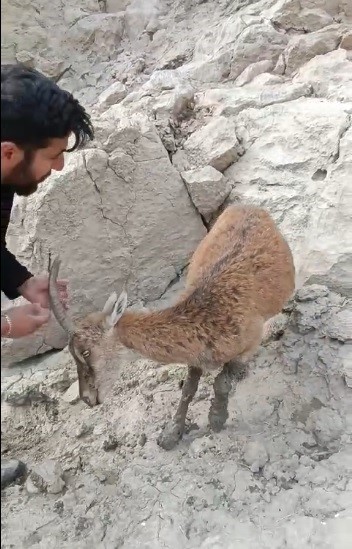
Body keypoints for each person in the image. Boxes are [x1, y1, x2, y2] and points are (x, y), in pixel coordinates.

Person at [1, 63, 94, 488]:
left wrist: (22, 281)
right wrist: (4, 325)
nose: (58, 168)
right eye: (54, 155)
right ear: (9, 151)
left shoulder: (6, 176)